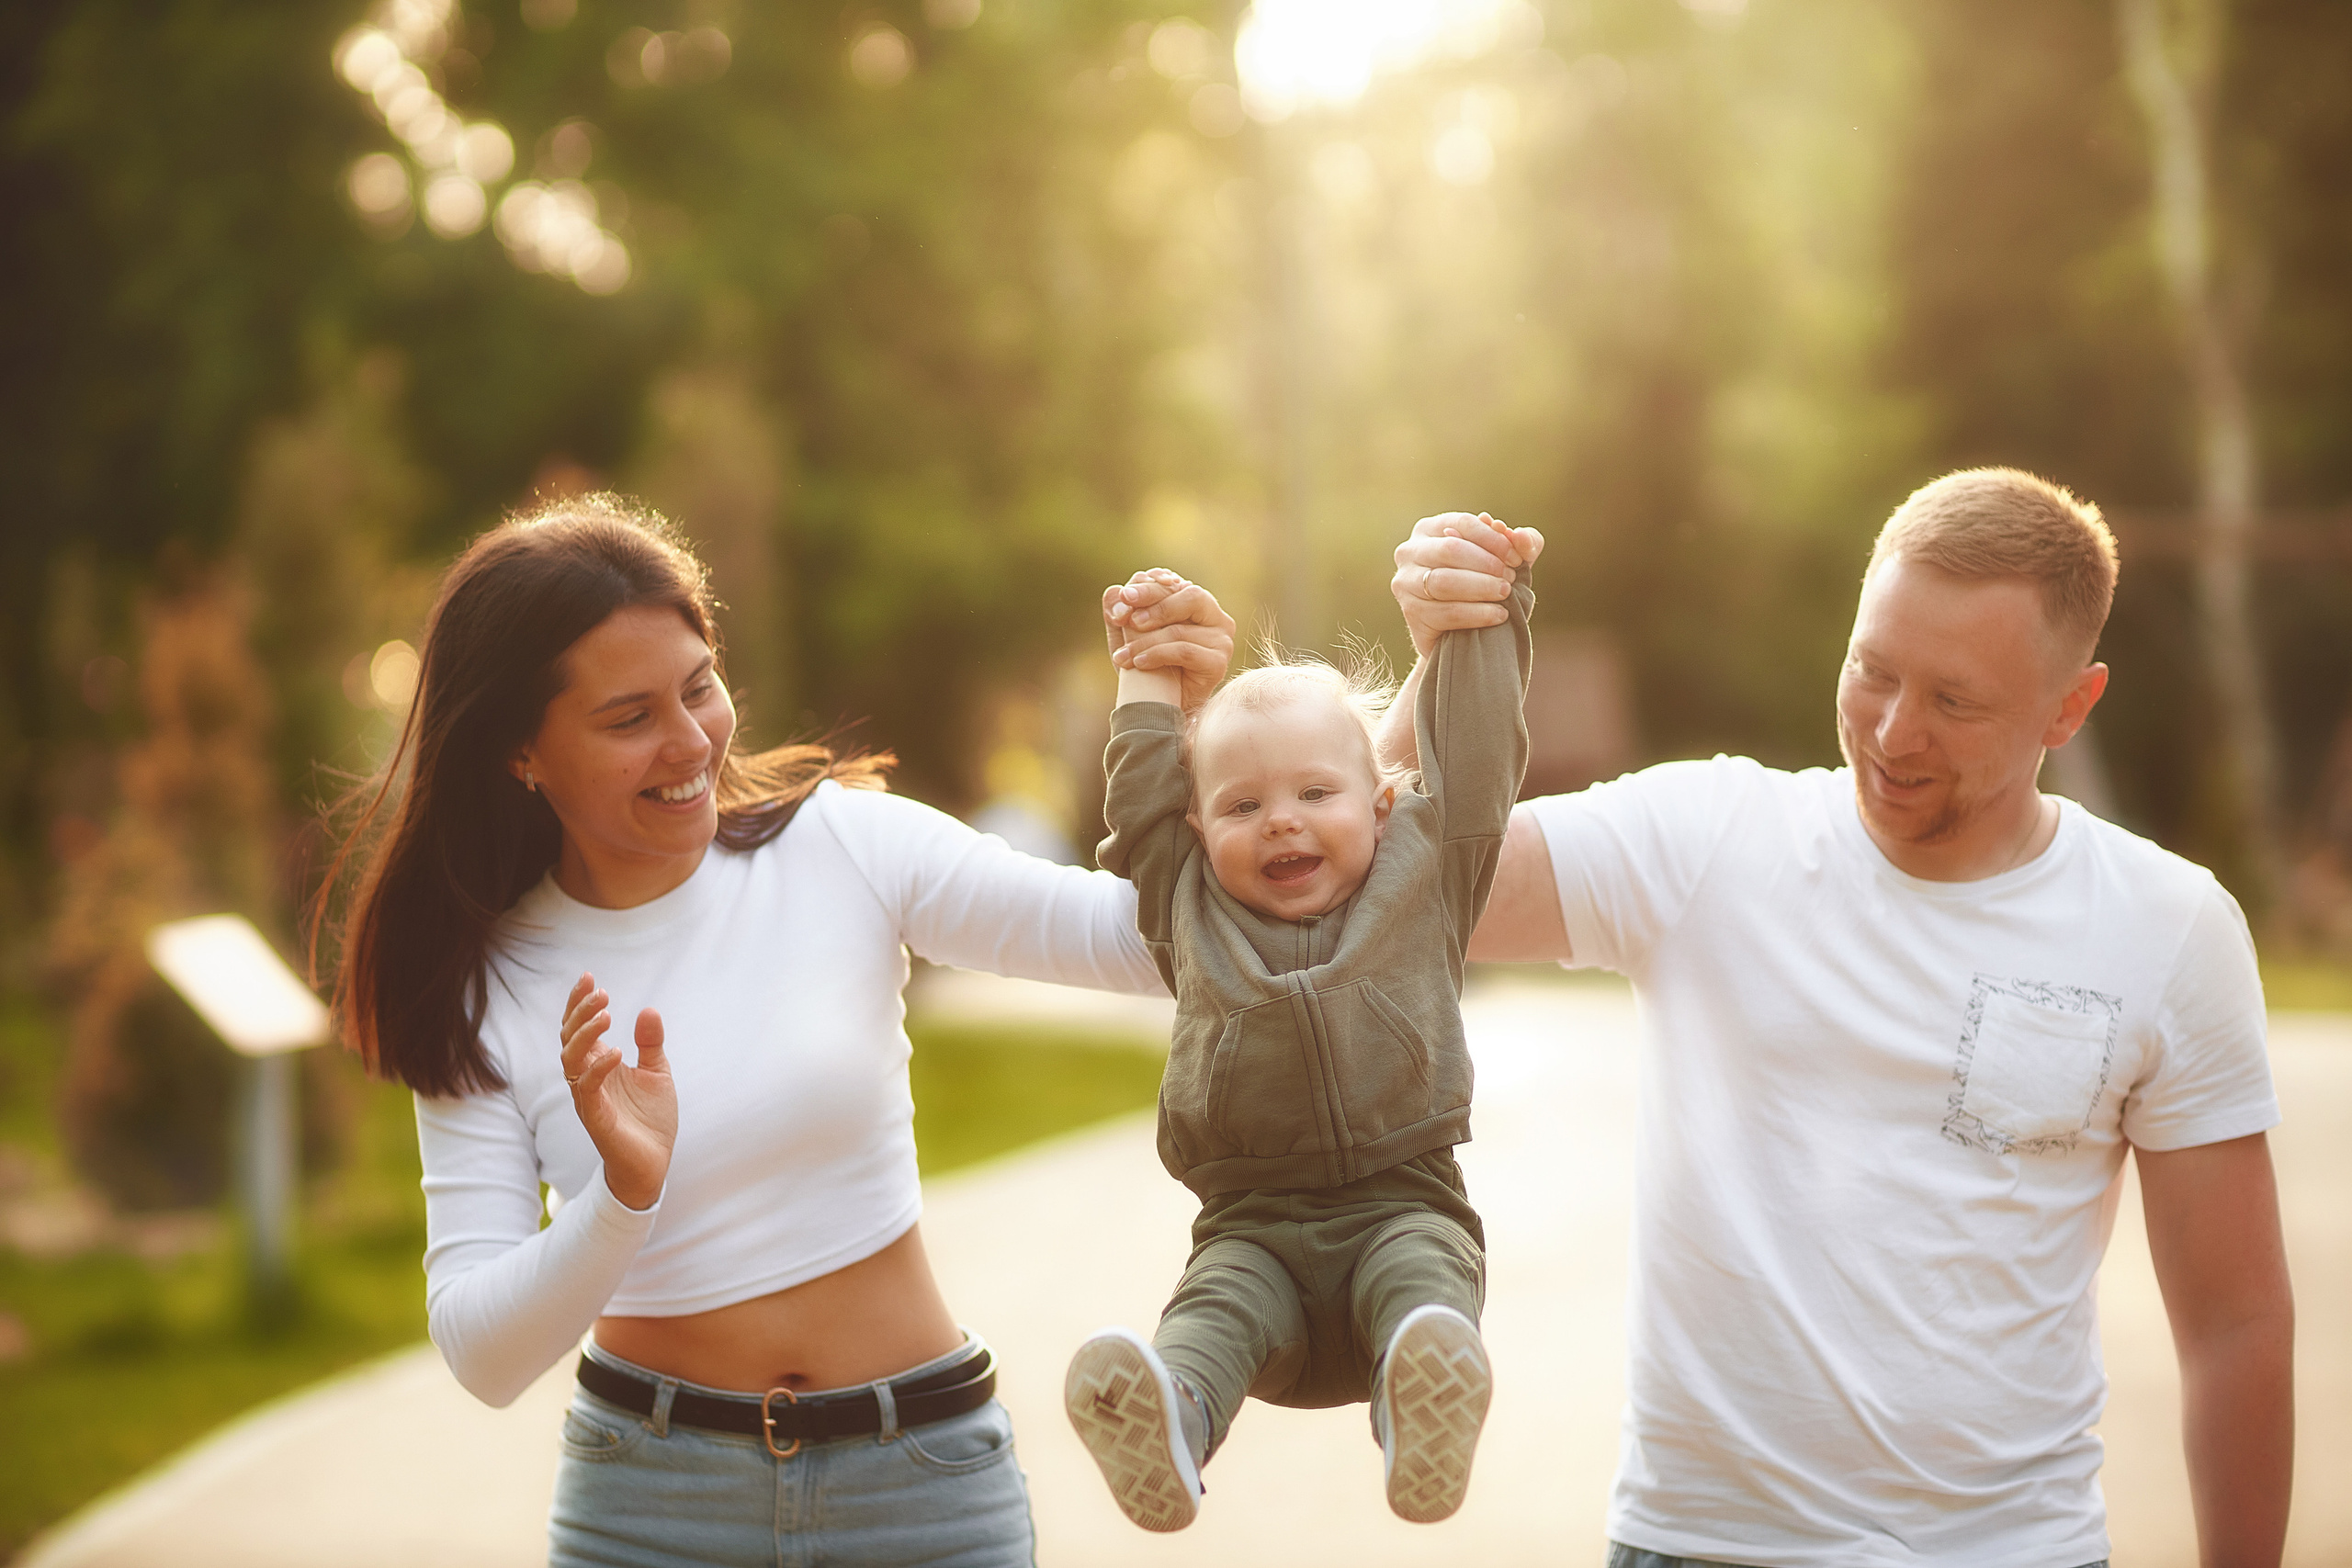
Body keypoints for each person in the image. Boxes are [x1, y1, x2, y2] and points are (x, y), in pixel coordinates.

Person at [1385, 472, 2293, 1567]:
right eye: (1873, 671)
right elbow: (1397, 884)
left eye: (1955, 703)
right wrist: (1442, 660)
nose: (1894, 732)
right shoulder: (1707, 840)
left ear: (2070, 706)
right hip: (1699, 1545)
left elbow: (2236, 1325)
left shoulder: (2168, 928)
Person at [322, 494, 1235, 1568]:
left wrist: (1174, 727)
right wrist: (623, 1196)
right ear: (520, 752)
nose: (689, 741)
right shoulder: (489, 983)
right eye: (629, 718)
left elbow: (1150, 944)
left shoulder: (841, 846)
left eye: (699, 688)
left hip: (921, 1484)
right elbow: (483, 1354)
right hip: (649, 1508)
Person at [1062, 541, 1532, 1533]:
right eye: (1241, 805)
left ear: (1382, 802)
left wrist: (1490, 609)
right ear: (1193, 826)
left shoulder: (1427, 877)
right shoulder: (1181, 899)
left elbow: (1483, 753)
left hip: (1402, 1204)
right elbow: (1138, 792)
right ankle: (1174, 1422)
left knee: (1422, 1282)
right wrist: (1145, 664)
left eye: (1315, 794)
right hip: (1252, 1231)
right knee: (1211, 1317)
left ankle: (1421, 1405)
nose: (1280, 822)